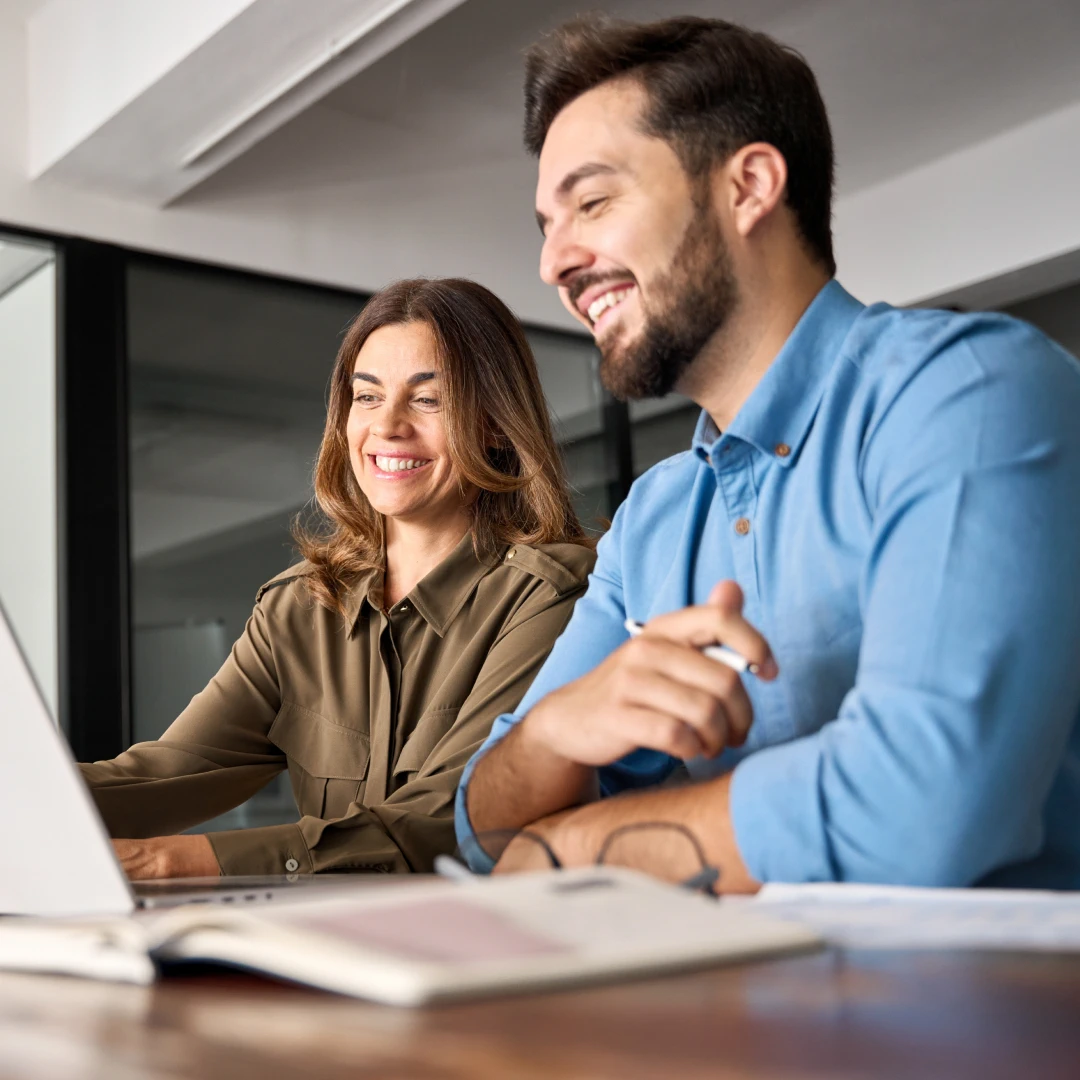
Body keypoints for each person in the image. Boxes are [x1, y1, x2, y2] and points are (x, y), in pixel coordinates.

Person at [455, 14, 1080, 890]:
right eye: (545, 225)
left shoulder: (968, 390)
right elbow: (483, 831)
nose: (555, 261)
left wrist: (578, 846)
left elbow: (924, 811)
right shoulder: (653, 521)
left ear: (749, 186)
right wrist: (558, 730)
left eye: (592, 202)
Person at [82, 277, 595, 879]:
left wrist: (171, 861)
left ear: (495, 424)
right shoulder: (298, 606)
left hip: (485, 952)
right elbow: (169, 773)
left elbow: (448, 817)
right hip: (322, 949)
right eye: (367, 396)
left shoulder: (554, 595)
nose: (388, 426)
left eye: (429, 400)